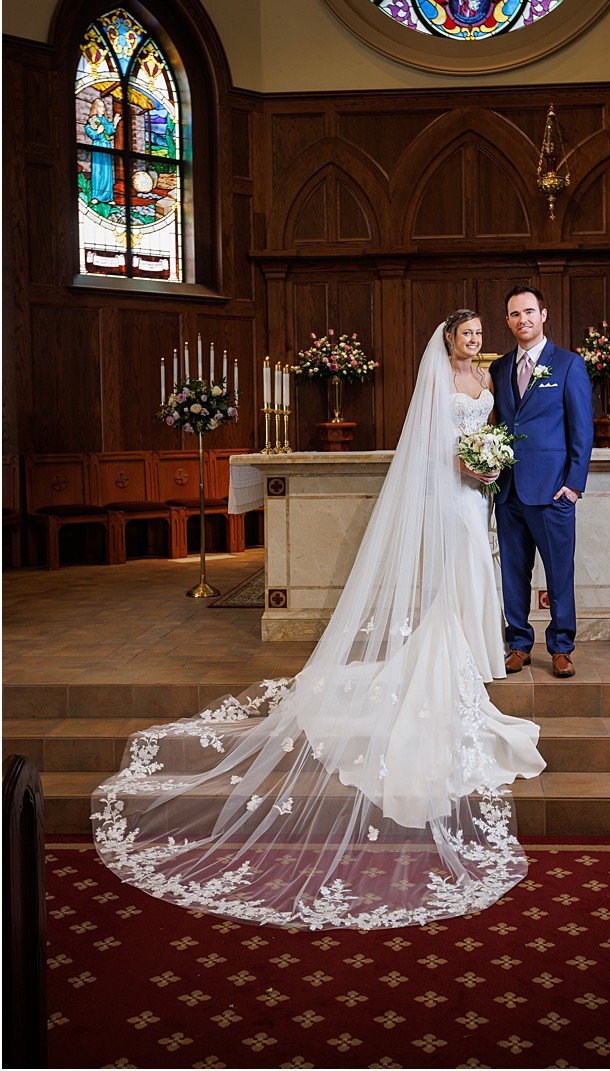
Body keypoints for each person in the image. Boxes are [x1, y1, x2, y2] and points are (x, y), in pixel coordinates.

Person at [91, 313, 545, 930]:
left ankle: (480, 649)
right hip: (449, 490)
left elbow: (486, 432)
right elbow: (432, 442)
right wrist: (467, 464)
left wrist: (489, 465)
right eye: (465, 334)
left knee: (479, 565)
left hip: (477, 490)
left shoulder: (487, 378)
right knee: (461, 562)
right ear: (446, 340)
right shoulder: (438, 381)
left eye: (477, 334)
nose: (473, 340)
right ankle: (454, 648)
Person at [489, 286, 593, 679]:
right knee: (513, 572)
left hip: (553, 492)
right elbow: (501, 423)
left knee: (558, 573)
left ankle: (562, 647)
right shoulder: (499, 368)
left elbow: (581, 431)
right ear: (508, 321)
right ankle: (518, 643)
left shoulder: (567, 365)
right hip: (509, 490)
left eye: (529, 312)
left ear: (543, 315)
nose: (523, 320)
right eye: (515, 314)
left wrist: (573, 485)